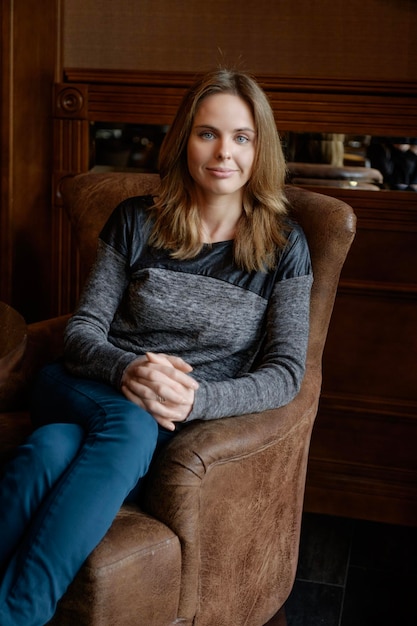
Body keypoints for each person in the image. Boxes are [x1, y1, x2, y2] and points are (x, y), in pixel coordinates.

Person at [0, 68, 313, 626]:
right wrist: (129, 371)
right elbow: (80, 334)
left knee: (49, 452)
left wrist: (196, 402)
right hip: (83, 385)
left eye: (241, 137)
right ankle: (20, 614)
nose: (224, 152)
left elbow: (287, 371)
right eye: (207, 133)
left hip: (173, 419)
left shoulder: (285, 247)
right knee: (132, 423)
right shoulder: (137, 221)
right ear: (183, 140)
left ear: (260, 148)